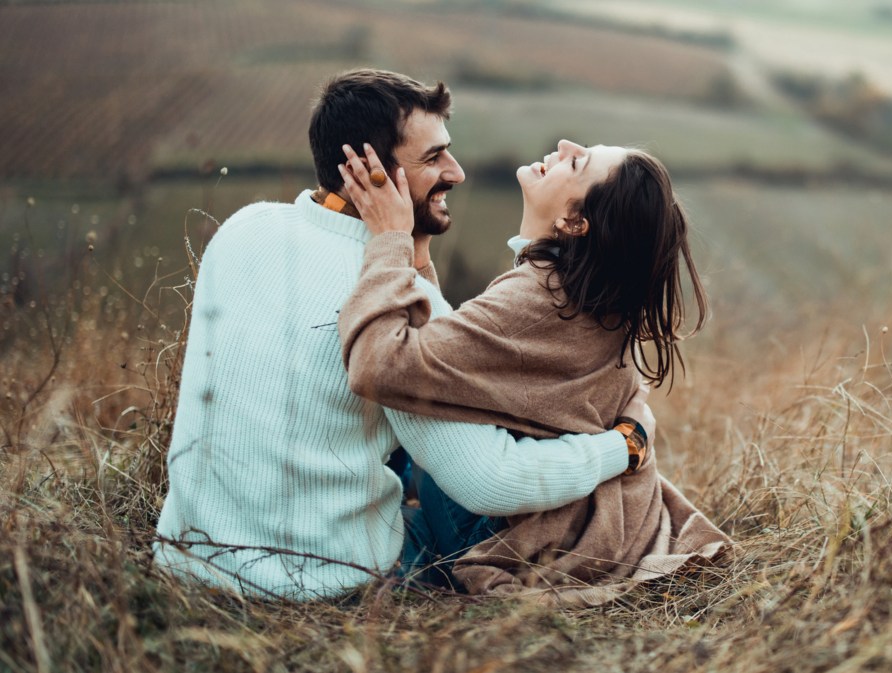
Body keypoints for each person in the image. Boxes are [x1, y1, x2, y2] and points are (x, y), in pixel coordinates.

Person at [153, 69, 652, 601]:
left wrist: (407, 251)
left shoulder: (244, 228)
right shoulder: (392, 299)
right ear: (370, 173)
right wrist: (619, 449)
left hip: (185, 558)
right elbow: (489, 482)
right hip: (319, 581)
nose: (456, 172)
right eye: (433, 158)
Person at [336, 138, 730, 604]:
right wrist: (419, 260)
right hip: (565, 518)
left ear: (574, 221)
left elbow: (380, 366)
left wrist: (388, 242)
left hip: (509, 533)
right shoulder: (581, 292)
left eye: (578, 161)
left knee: (370, 506)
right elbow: (467, 351)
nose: (564, 145)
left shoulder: (541, 299)